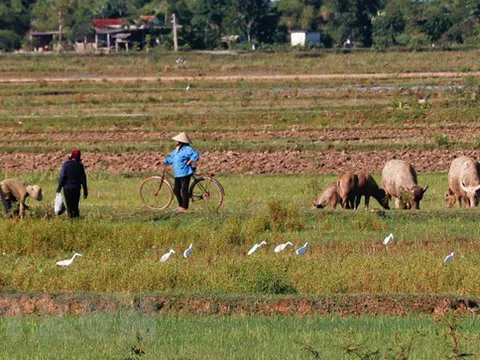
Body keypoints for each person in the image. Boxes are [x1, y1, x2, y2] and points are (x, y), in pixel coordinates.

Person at [159, 132, 199, 213]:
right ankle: (180, 206)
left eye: (178, 142)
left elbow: (196, 155)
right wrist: (163, 161)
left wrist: (191, 160)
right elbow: (171, 159)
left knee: (184, 190)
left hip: (185, 172)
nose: (177, 143)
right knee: (176, 190)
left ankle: (184, 207)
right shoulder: (176, 150)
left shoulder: (188, 149)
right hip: (178, 173)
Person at [57, 149, 88, 218]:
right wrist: (85, 191)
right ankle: (76, 218)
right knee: (75, 205)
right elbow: (83, 180)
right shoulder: (80, 166)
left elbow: (62, 177)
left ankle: (71, 218)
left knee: (69, 205)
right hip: (77, 188)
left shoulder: (66, 164)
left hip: (67, 188)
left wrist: (59, 188)